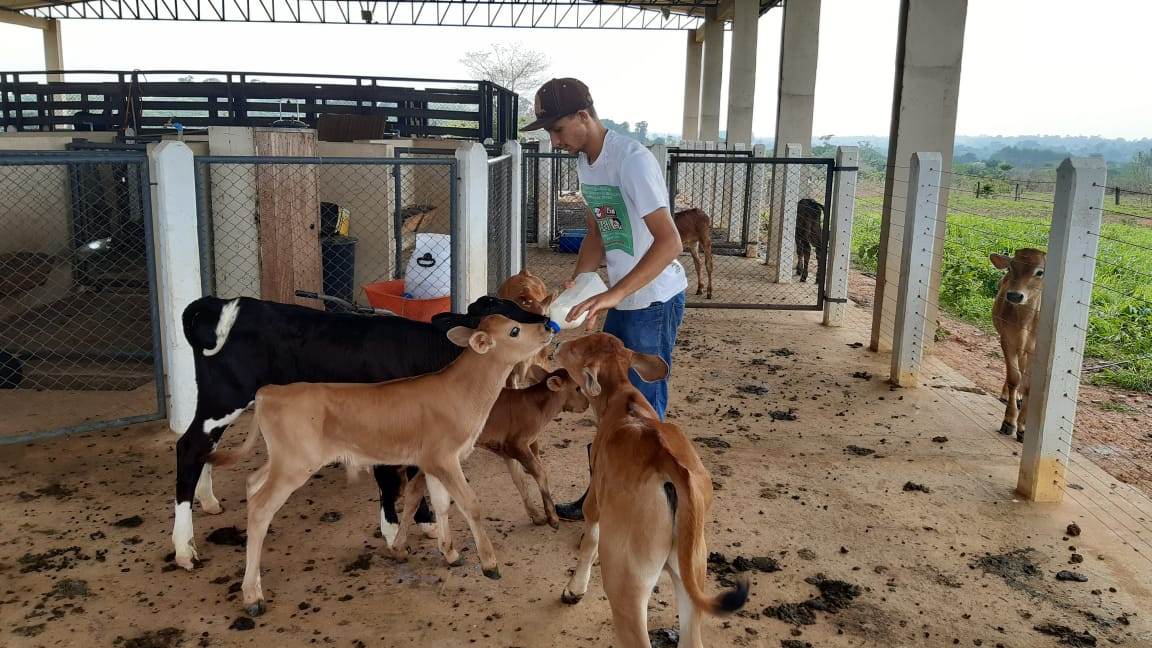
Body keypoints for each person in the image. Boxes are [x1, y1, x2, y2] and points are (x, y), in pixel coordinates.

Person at [521, 77, 688, 520]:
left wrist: (612, 294)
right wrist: (582, 289)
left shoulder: (630, 160)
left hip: (651, 302)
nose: (554, 142)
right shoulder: (587, 163)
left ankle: (656, 510)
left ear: (583, 116)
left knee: (642, 413)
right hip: (622, 299)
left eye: (557, 130)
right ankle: (603, 499)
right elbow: (598, 231)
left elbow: (670, 243)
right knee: (610, 406)